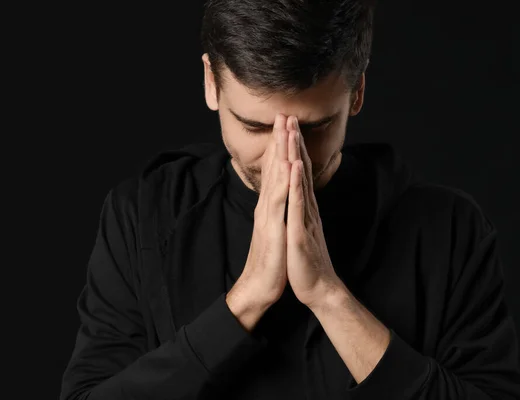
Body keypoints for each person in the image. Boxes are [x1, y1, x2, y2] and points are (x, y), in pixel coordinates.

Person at [59, 1, 520, 399]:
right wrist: (247, 299)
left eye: (315, 128)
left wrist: (328, 296)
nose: (285, 154)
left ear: (357, 90)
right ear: (210, 84)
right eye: (255, 127)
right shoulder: (143, 215)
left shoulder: (448, 229)